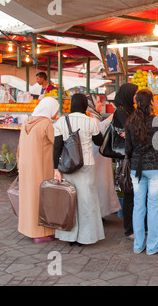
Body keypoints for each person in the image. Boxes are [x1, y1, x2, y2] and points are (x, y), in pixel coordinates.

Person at [53, 93, 105, 245]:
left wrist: (56, 168)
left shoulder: (61, 121)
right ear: (84, 105)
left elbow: (57, 147)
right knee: (87, 201)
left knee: (70, 200)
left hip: (68, 166)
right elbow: (99, 141)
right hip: (86, 164)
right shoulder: (90, 122)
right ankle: (86, 237)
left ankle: (70, 237)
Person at [125, 89, 158, 255]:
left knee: (138, 206)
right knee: (153, 208)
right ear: (151, 102)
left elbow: (128, 149)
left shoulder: (131, 122)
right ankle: (152, 247)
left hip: (137, 169)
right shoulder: (157, 120)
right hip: (155, 168)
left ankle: (138, 246)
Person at [17, 97, 60, 243]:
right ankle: (41, 233)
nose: (57, 112)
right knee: (41, 198)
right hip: (41, 167)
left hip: (26, 167)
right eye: (56, 109)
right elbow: (56, 143)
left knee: (29, 198)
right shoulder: (46, 123)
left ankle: (27, 228)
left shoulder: (26, 122)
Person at [112, 83, 139, 240]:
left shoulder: (131, 110)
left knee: (137, 194)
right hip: (126, 158)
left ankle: (136, 226)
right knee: (129, 193)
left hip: (135, 155)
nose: (136, 96)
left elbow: (134, 131)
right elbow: (131, 131)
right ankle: (129, 230)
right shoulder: (120, 112)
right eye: (134, 93)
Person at [87, 94, 121, 217]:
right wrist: (111, 118)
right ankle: (98, 213)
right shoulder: (90, 117)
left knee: (102, 183)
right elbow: (98, 131)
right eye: (98, 102)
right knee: (99, 183)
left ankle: (100, 212)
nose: (101, 104)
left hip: (100, 156)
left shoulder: (96, 116)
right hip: (96, 156)